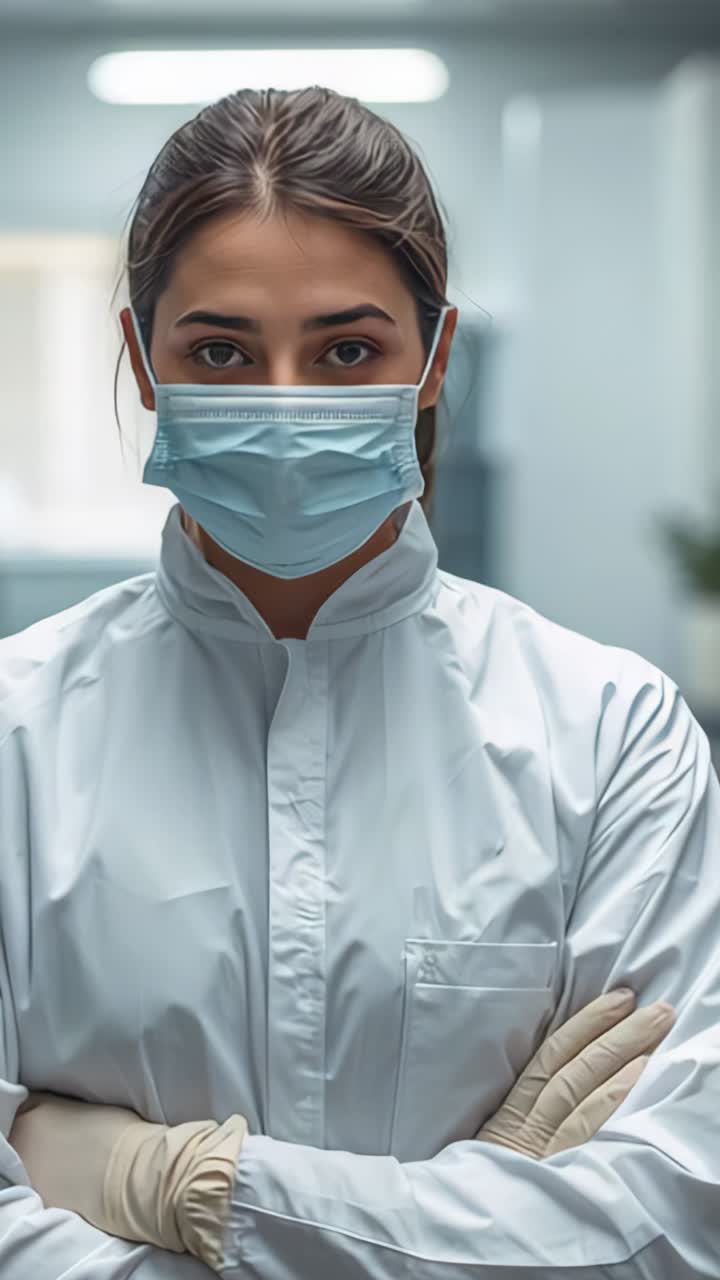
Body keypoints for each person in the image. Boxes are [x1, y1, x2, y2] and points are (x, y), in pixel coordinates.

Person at [0, 85, 718, 1280]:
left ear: (432, 362)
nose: (285, 397)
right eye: (221, 350)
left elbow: (671, 1211)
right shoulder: (13, 732)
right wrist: (496, 1220)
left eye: (347, 349)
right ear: (141, 362)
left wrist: (176, 1186)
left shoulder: (608, 733)